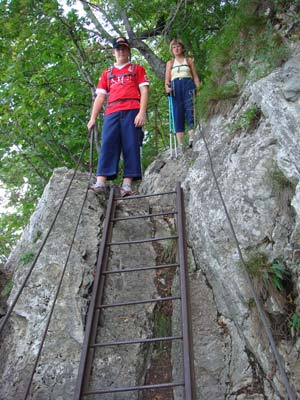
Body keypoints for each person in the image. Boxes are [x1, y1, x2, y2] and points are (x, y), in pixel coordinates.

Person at [87, 37, 149, 197]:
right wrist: (93, 118)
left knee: (131, 145)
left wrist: (142, 112)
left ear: (128, 51)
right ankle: (101, 181)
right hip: (112, 111)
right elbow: (100, 97)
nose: (121, 51)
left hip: (132, 109)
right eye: (118, 49)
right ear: (114, 52)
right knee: (108, 143)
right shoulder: (107, 73)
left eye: (124, 48)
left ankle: (127, 185)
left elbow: (144, 91)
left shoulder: (137, 69)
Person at [165, 38, 200, 155]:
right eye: (174, 47)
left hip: (188, 85)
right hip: (175, 88)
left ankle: (191, 138)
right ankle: (180, 144)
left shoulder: (189, 60)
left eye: (178, 46)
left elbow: (195, 76)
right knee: (177, 113)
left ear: (182, 48)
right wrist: (167, 88)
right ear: (171, 50)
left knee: (190, 110)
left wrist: (198, 88)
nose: (176, 49)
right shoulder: (170, 63)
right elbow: (167, 81)